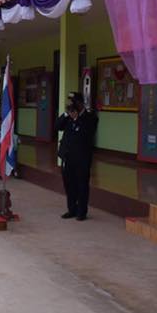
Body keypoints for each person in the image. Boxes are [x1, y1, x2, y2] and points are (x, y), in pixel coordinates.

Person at [56, 91, 98, 221]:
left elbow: (87, 132)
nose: (71, 106)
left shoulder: (90, 117)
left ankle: (81, 212)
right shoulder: (68, 116)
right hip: (68, 157)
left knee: (82, 184)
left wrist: (77, 118)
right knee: (69, 184)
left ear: (80, 103)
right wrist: (66, 114)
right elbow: (57, 126)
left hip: (82, 158)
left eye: (74, 103)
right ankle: (71, 209)